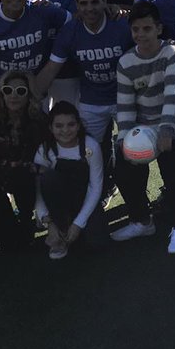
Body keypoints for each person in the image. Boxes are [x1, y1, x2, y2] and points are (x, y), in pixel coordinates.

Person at [112, 1, 175, 248]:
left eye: (147, 29)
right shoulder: (125, 62)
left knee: (172, 167)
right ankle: (141, 220)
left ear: (158, 29)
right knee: (123, 166)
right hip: (144, 124)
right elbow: (125, 106)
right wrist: (123, 141)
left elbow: (172, 93)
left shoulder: (171, 53)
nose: (141, 34)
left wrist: (167, 130)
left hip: (174, 120)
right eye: (136, 29)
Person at [35, 0, 134, 149]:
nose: (89, 8)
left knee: (132, 147)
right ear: (77, 5)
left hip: (124, 97)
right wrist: (31, 96)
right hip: (91, 100)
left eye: (95, 2)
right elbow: (51, 68)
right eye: (84, 3)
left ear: (104, 1)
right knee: (85, 150)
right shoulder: (70, 31)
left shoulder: (122, 25)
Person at [0, 69, 46, 250]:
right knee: (9, 243)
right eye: (8, 90)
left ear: (29, 95)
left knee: (25, 179)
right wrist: (25, 166)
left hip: (23, 178)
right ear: (1, 93)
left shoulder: (38, 119)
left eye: (21, 91)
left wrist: (29, 169)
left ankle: (26, 217)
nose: (14, 96)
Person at [34, 101, 106, 259]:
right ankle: (59, 233)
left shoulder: (91, 146)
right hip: (58, 204)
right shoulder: (45, 149)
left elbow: (95, 187)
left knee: (96, 244)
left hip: (83, 199)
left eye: (71, 124)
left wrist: (78, 224)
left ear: (79, 125)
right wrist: (47, 219)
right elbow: (37, 189)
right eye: (59, 126)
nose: (65, 130)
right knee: (48, 177)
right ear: (50, 128)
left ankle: (70, 231)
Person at [28, 0, 81, 106]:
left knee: (67, 118)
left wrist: (57, 13)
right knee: (35, 118)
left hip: (66, 70)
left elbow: (80, 22)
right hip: (31, 67)